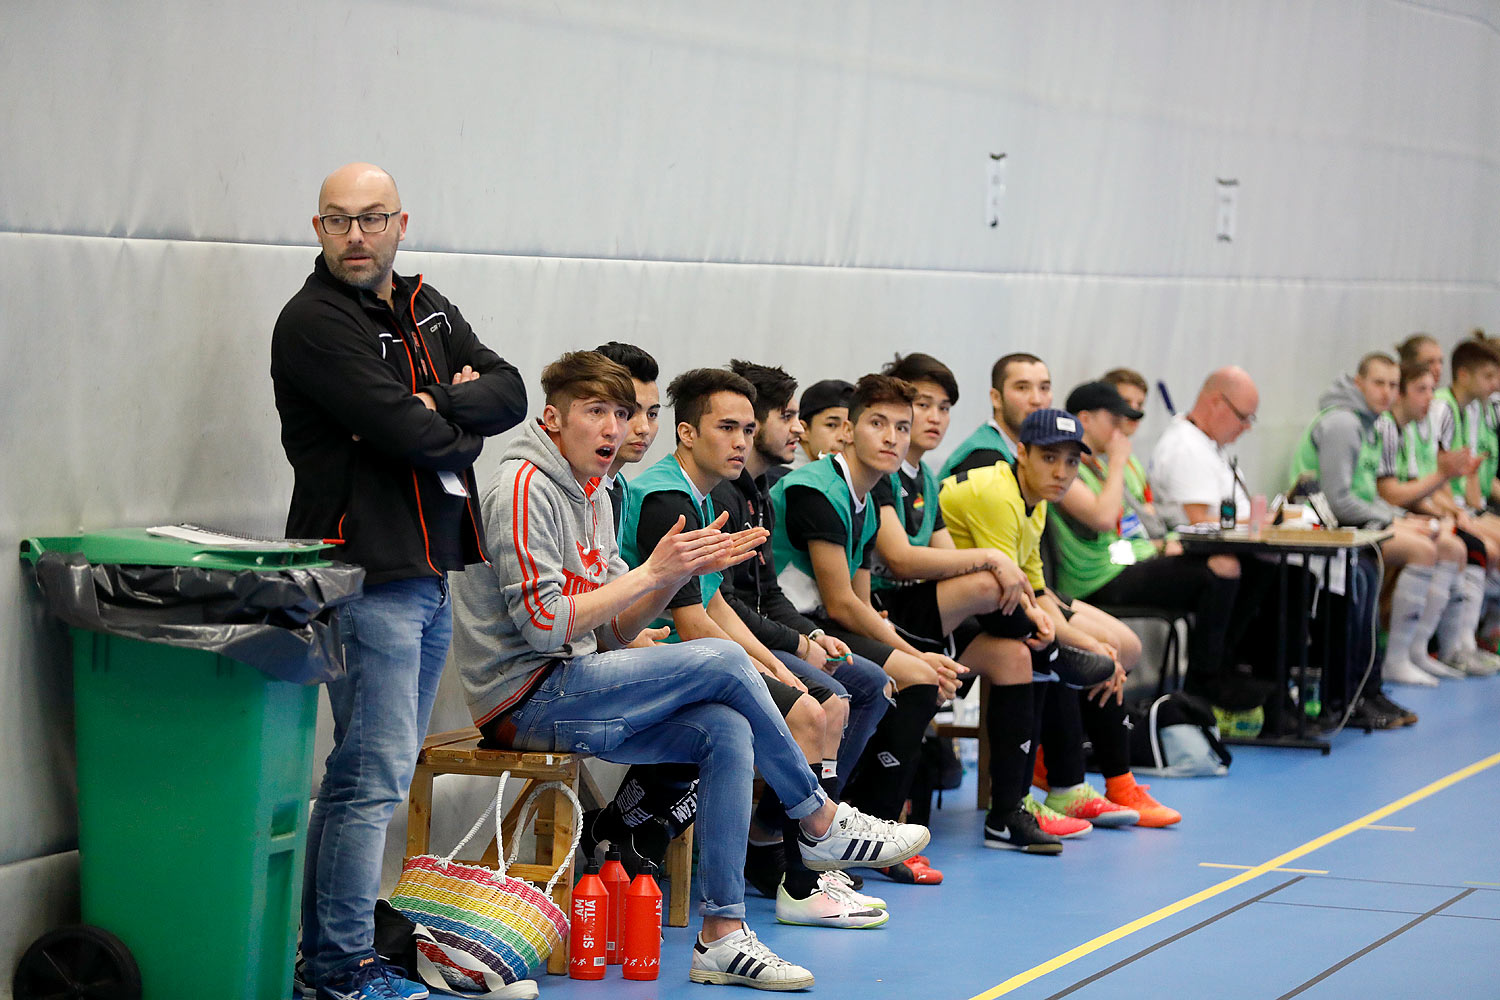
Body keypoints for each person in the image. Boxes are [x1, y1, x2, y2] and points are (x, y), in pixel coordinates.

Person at [450, 351, 928, 990]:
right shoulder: (524, 486)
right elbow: (545, 627)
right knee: (726, 660)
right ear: (553, 419)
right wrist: (654, 573)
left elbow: (614, 628)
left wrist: (675, 576)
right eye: (597, 412)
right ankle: (817, 819)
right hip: (523, 698)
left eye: (623, 414)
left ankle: (721, 935)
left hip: (574, 678)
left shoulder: (594, 490)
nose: (616, 429)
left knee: (725, 729)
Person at [272, 163, 528, 1000]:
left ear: (400, 222)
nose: (356, 235)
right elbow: (402, 430)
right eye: (339, 220)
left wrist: (436, 410)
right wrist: (448, 417)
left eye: (371, 218)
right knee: (369, 777)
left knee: (368, 774)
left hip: (429, 572)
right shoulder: (313, 323)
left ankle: (326, 957)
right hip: (363, 574)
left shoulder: (427, 304)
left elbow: (512, 390)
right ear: (318, 229)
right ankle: (339, 967)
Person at [618, 367, 887, 929]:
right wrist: (776, 678)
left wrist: (774, 668)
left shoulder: (703, 493)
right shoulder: (668, 498)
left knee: (816, 699)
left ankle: (800, 860)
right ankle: (802, 871)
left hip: (690, 658)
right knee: (808, 711)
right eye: (727, 428)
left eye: (747, 427)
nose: (741, 441)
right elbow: (691, 625)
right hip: (648, 658)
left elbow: (716, 607)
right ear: (687, 433)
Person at [870, 354, 1121, 853]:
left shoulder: (928, 479)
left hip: (944, 612)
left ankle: (1008, 812)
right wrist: (1031, 613)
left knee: (1017, 654)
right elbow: (903, 563)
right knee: (992, 586)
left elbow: (1014, 582)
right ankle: (1057, 681)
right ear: (1021, 453)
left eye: (943, 407)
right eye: (921, 407)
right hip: (895, 613)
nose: (934, 417)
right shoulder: (898, 478)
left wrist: (1070, 635)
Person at [940, 409, 1181, 831]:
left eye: (1071, 461)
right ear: (1021, 452)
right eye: (1050, 458)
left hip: (990, 605)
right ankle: (1055, 787)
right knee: (1043, 652)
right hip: (947, 611)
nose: (1062, 472)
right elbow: (1009, 592)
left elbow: (1033, 590)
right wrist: (1072, 644)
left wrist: (1085, 643)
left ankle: (1093, 783)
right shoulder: (998, 494)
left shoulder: (1035, 501)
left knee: (1093, 650)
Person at [770, 374, 969, 883]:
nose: (892, 437)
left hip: (822, 623)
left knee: (911, 678)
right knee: (910, 678)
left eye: (902, 427)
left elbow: (858, 599)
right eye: (877, 424)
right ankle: (848, 827)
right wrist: (915, 656)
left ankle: (854, 822)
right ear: (849, 431)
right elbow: (839, 603)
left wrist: (912, 654)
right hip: (786, 623)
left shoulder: (873, 493)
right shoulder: (816, 489)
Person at [709, 361, 893, 893]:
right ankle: (799, 856)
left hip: (759, 632)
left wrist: (807, 639)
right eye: (786, 416)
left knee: (869, 685)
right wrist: (793, 645)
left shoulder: (759, 490)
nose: (795, 429)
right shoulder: (721, 495)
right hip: (721, 641)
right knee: (830, 698)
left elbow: (769, 594)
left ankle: (778, 828)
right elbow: (722, 604)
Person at [1051, 380, 1241, 702]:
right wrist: (1117, 463)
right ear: (1085, 419)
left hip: (1128, 561)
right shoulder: (1068, 468)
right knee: (1220, 571)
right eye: (1113, 421)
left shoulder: (1101, 466)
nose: (1120, 431)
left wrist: (1165, 545)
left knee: (1236, 566)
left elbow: (1138, 524)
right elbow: (1104, 519)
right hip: (1099, 576)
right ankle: (1203, 690)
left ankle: (1227, 674)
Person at [1288, 353, 1463, 689]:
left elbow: (1368, 496)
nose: (1386, 392)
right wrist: (1394, 522)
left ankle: (1416, 650)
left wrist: (1399, 518)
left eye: (1392, 385)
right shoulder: (1344, 424)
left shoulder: (1368, 423)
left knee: (1448, 545)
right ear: (1358, 383)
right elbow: (1338, 502)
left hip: (1356, 524)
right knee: (1424, 550)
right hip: (1327, 529)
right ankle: (1393, 659)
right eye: (1378, 383)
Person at [1375, 359, 1499, 683]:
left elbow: (1429, 487)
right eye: (1421, 390)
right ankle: (1412, 652)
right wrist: (1442, 511)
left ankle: (1443, 645)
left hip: (1401, 514)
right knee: (1455, 546)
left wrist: (1452, 511)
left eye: (1432, 389)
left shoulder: (1411, 427)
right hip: (1379, 518)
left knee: (1460, 545)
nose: (1430, 397)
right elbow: (1391, 494)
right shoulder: (1386, 427)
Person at [939, 353, 1050, 479]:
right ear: (996, 398)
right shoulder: (984, 459)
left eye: (1044, 388)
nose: (1037, 400)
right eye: (1022, 388)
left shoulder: (1023, 450)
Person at [784, 378, 855, 472]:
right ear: (804, 430)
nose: (843, 437)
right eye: (831, 425)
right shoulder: (783, 480)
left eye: (849, 428)